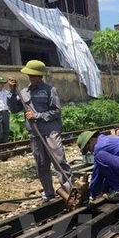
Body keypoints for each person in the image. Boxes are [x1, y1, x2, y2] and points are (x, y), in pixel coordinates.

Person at [8, 60, 73, 201]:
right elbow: (14, 109)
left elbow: (56, 111)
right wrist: (12, 92)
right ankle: (49, 193)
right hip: (35, 134)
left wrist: (37, 115)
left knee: (59, 161)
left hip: (50, 132)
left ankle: (71, 192)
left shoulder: (50, 90)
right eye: (30, 75)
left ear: (40, 76)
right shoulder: (24, 92)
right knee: (42, 165)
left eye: (34, 75)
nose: (32, 78)